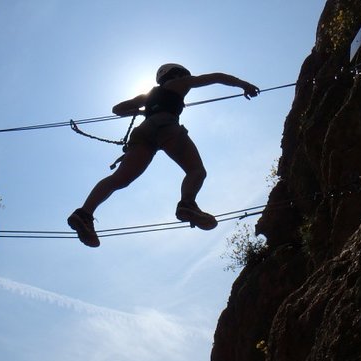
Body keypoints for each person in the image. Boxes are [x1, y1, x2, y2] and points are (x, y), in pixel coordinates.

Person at [67, 63, 260, 247]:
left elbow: (117, 109)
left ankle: (84, 213)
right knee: (196, 171)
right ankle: (187, 204)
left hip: (142, 132)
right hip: (166, 126)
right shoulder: (181, 82)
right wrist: (244, 85)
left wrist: (144, 111)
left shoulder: (150, 94)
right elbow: (217, 77)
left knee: (119, 179)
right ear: (177, 73)